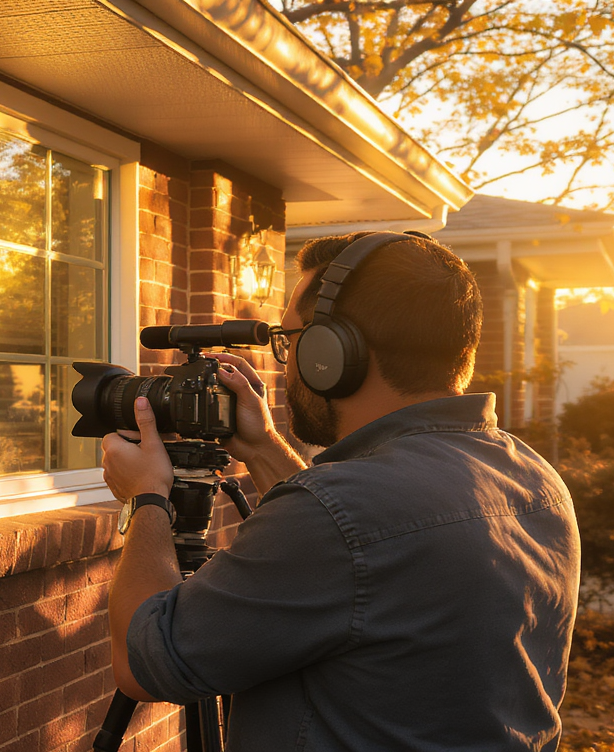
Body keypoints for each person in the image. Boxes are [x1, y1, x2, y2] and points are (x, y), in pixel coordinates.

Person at [102, 231, 579, 750]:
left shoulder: (340, 511)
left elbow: (141, 661)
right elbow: (365, 553)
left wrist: (145, 498)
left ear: (333, 352)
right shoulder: (535, 480)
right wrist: (261, 447)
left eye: (291, 340)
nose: (287, 364)